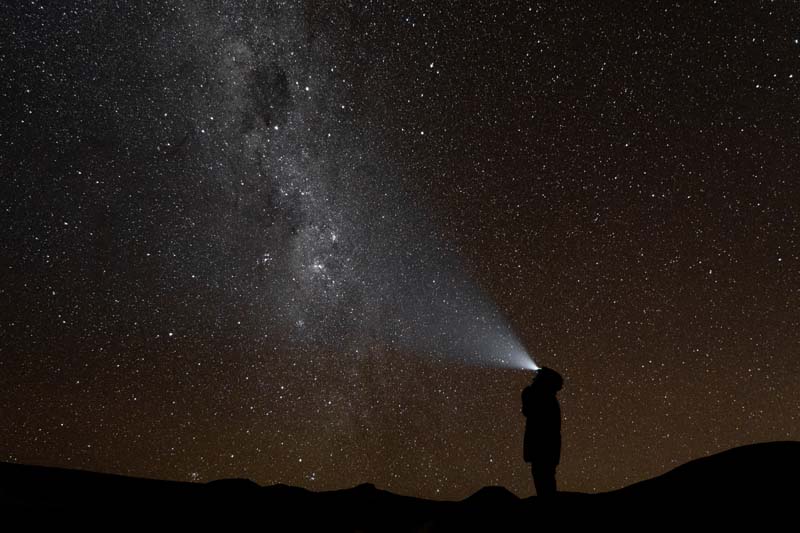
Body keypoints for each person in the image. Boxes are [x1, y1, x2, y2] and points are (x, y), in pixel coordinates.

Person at [521, 367, 563, 497]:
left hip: (542, 449)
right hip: (549, 450)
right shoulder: (549, 399)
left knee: (544, 483)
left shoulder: (542, 398)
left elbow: (527, 409)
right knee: (546, 480)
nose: (534, 379)